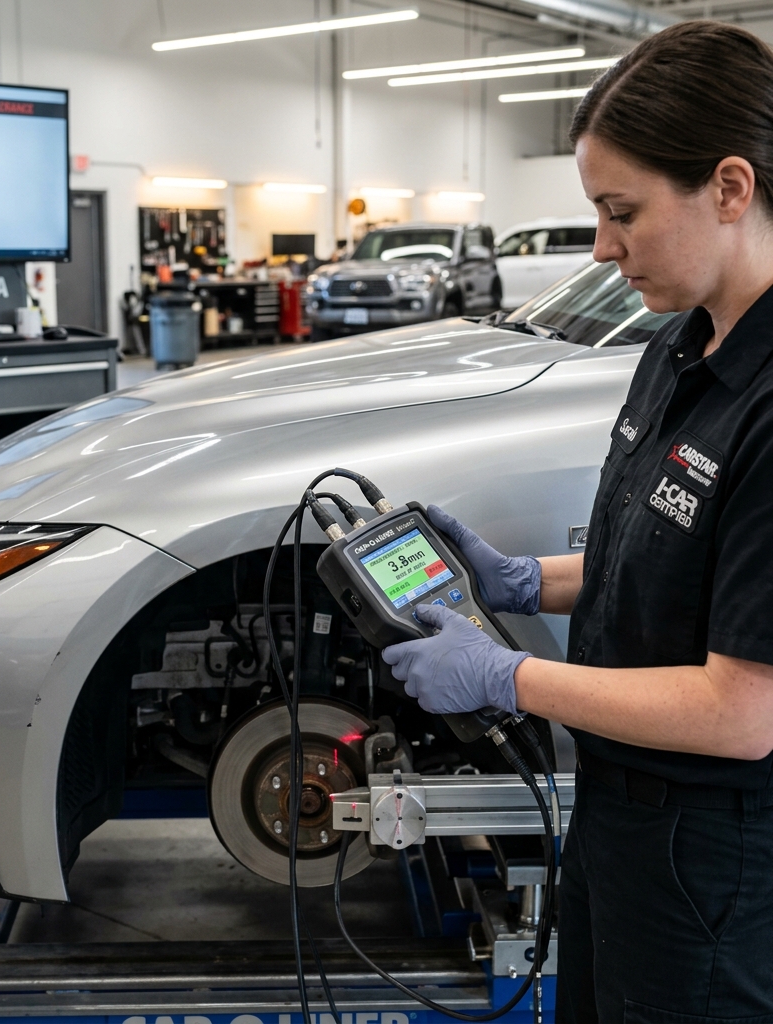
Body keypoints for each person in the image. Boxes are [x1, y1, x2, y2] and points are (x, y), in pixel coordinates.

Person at [382, 21, 773, 1022]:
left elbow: (742, 713)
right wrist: (523, 581)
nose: (602, 249)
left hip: (713, 855)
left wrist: (506, 674)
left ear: (729, 188)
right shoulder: (676, 347)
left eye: (621, 212)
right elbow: (670, 553)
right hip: (616, 813)